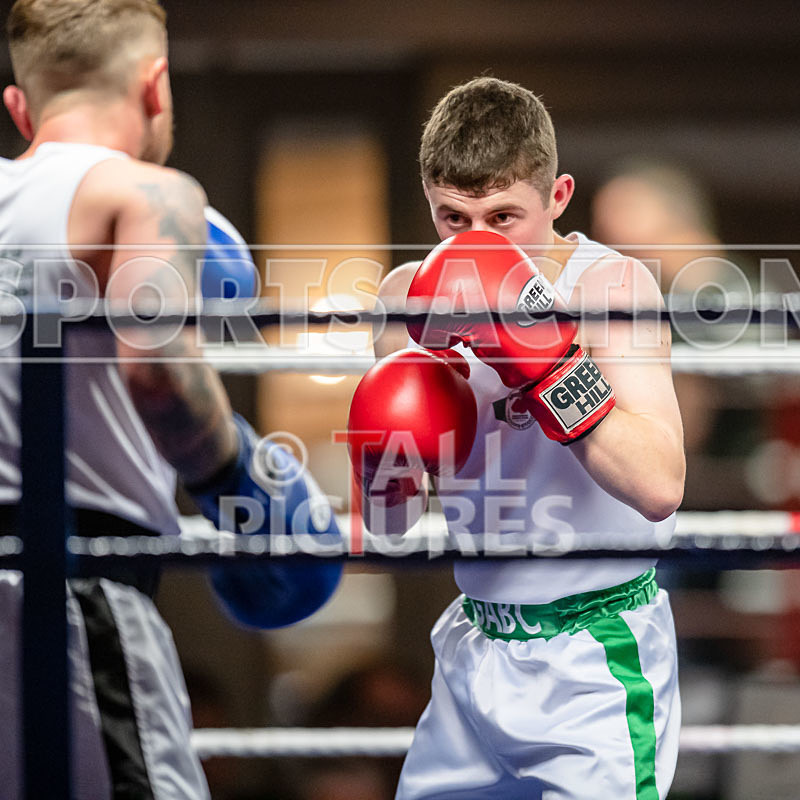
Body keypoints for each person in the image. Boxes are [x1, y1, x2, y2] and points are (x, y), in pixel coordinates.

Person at [0, 1, 341, 797]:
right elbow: (157, 371)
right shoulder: (149, 194)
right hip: (80, 595)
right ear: (156, 87)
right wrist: (243, 485)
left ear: (19, 107)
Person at [350, 77, 685, 799]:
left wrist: (550, 365)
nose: (477, 243)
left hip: (595, 654)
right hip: (474, 645)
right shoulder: (405, 299)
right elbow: (389, 527)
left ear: (558, 196)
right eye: (453, 218)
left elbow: (660, 486)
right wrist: (387, 455)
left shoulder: (613, 290)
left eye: (504, 217)